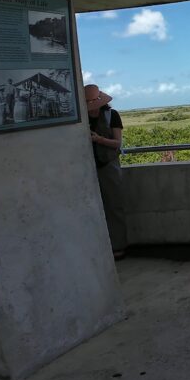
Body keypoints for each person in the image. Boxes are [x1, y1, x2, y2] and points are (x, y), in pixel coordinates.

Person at [85, 85, 127, 260]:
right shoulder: (82, 119)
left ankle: (118, 246)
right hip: (88, 166)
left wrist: (98, 139)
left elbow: (117, 143)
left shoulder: (112, 115)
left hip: (108, 165)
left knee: (113, 206)